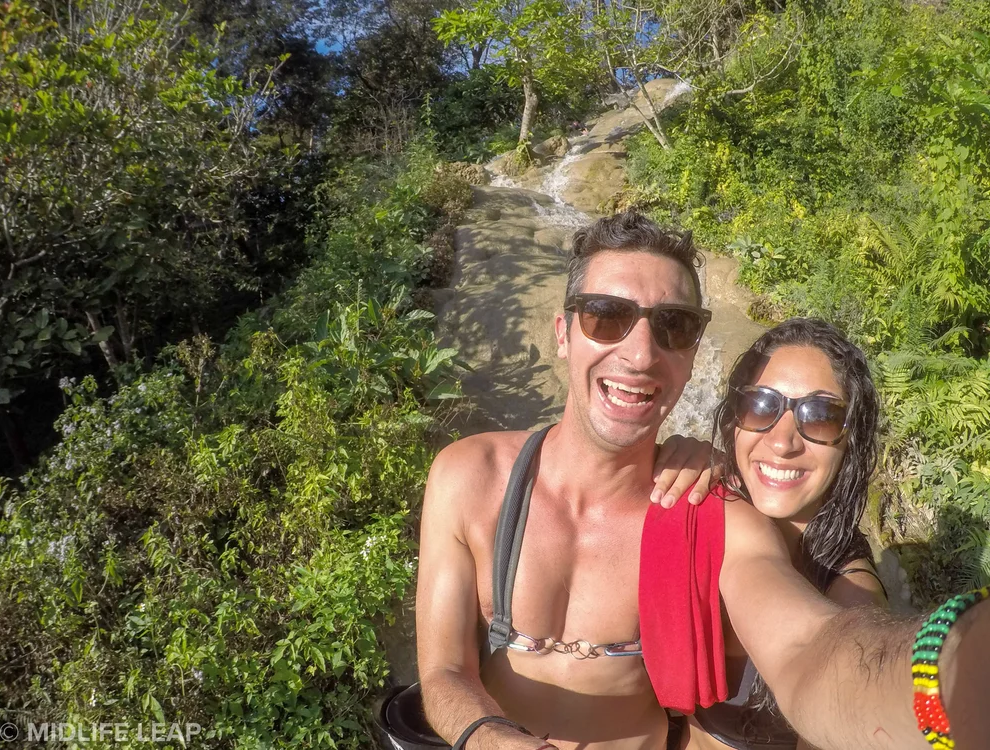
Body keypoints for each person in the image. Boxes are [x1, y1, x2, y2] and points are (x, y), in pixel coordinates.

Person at [415, 210, 990, 750]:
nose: (641, 354)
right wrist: (491, 739)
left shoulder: (713, 515)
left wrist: (955, 670)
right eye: (607, 316)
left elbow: (808, 646)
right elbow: (443, 671)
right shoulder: (469, 479)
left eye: (674, 326)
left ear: (693, 355)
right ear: (564, 333)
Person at [685, 319, 888, 750]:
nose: (782, 442)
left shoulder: (850, 590)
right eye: (760, 405)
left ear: (850, 441)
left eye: (821, 416)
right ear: (734, 422)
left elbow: (858, 676)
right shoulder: (697, 507)